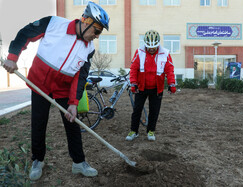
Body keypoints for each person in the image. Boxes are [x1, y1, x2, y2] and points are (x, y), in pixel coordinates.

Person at [3, 2, 109, 180]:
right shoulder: (53, 24)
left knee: (72, 124)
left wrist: (74, 103)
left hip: (63, 90)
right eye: (96, 31)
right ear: (85, 20)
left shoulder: (89, 49)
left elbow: (80, 76)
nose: (96, 36)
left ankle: (79, 163)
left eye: (99, 33)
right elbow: (25, 34)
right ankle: (38, 160)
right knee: (38, 123)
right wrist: (13, 57)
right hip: (40, 85)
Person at [125, 30, 176, 141]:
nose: (151, 49)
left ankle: (151, 131)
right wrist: (133, 83)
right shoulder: (139, 52)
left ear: (158, 44)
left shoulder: (165, 53)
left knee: (154, 111)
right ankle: (134, 131)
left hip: (157, 88)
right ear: (145, 44)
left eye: (154, 47)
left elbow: (169, 70)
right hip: (141, 87)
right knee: (137, 110)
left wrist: (172, 83)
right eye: (149, 47)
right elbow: (133, 68)